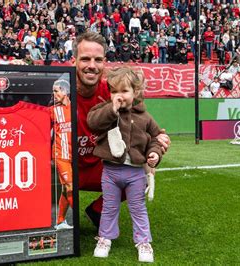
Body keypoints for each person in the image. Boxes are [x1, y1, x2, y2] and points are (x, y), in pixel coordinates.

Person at [71, 32, 170, 228]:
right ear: (73, 60)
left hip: (101, 167)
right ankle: (57, 213)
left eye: (98, 60)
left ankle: (97, 211)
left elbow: (142, 127)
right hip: (66, 168)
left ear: (104, 63)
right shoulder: (60, 91)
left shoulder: (114, 93)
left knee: (139, 172)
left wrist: (156, 147)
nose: (92, 65)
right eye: (85, 59)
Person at [87, 67, 163, 262]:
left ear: (135, 92)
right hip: (111, 171)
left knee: (138, 208)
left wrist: (154, 153)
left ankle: (143, 242)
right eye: (113, 91)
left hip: (136, 173)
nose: (118, 96)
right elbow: (93, 122)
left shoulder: (145, 116)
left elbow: (157, 137)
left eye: (124, 91)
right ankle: (105, 238)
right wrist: (111, 109)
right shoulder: (106, 109)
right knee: (110, 208)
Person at [51, 79, 74, 230]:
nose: (53, 94)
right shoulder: (52, 111)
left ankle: (60, 221)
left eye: (56, 91)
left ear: (65, 91)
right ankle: (78, 218)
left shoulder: (75, 108)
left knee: (66, 189)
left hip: (74, 155)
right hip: (61, 155)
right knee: (70, 186)